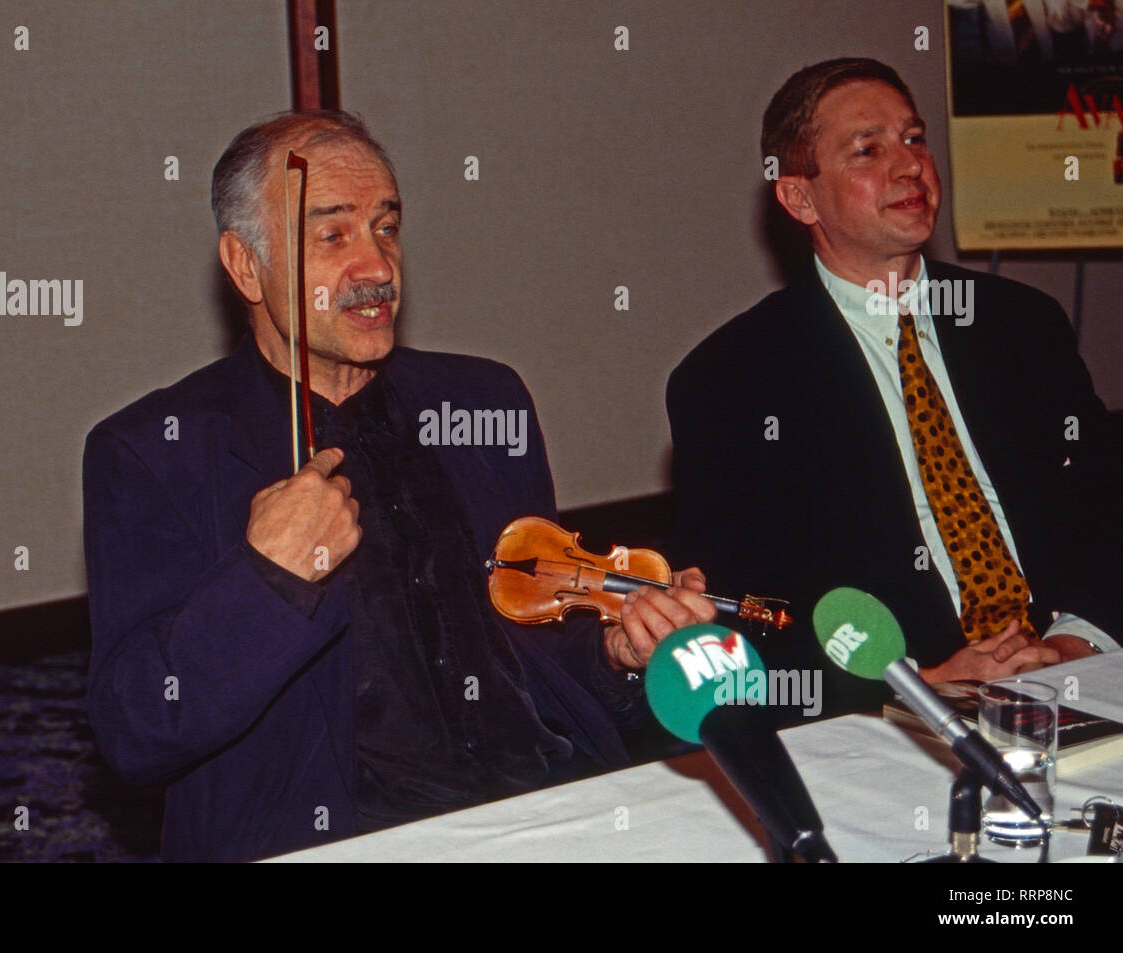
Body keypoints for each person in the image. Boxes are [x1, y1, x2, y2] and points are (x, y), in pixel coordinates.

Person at [83, 110, 714, 861]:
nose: (376, 266)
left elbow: (535, 651)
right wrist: (268, 581)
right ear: (245, 265)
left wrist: (616, 653)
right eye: (333, 235)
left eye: (387, 227)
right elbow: (137, 731)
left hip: (552, 806)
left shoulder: (484, 401)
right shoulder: (158, 451)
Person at [667, 58, 1122, 719]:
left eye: (914, 139)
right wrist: (921, 680)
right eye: (868, 150)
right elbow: (749, 615)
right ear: (799, 197)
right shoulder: (733, 379)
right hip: (893, 719)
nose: (909, 166)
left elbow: (1104, 513)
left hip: (1079, 678)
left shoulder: (1022, 325)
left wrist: (1073, 644)